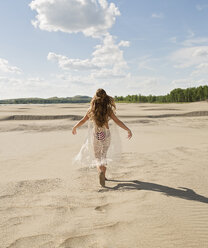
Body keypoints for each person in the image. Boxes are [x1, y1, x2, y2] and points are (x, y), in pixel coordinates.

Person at [72, 88, 132, 187]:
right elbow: (117, 121)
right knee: (104, 155)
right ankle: (103, 175)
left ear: (95, 97)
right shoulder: (108, 109)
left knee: (97, 156)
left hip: (96, 134)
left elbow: (83, 120)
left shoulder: (91, 109)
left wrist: (75, 127)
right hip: (106, 134)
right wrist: (127, 129)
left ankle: (100, 170)